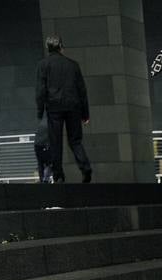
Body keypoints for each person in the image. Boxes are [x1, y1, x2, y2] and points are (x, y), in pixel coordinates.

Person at [36, 35, 92, 183]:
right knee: (75, 140)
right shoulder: (73, 65)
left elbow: (41, 90)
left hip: (54, 108)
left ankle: (59, 176)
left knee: (56, 143)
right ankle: (85, 167)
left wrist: (40, 110)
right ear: (61, 47)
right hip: (73, 106)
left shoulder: (43, 65)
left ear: (48, 48)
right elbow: (82, 90)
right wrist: (85, 114)